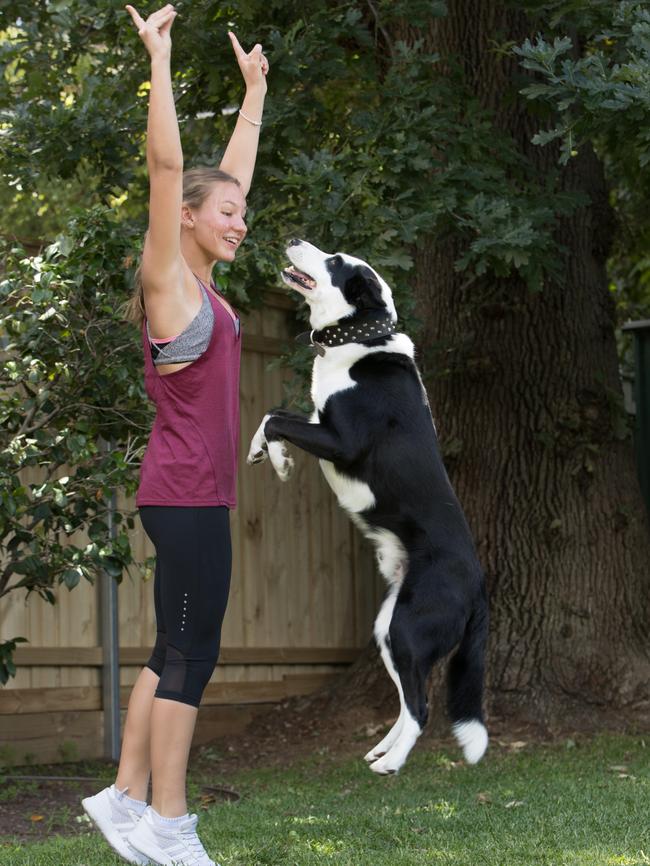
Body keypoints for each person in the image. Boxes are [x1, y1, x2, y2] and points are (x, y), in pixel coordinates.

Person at [82, 5, 268, 865]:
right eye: (225, 214)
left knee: (173, 644)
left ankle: (122, 796)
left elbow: (223, 180)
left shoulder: (203, 284)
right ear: (187, 218)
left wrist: (254, 94)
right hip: (186, 495)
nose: (239, 220)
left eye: (243, 214)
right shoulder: (169, 281)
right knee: (196, 651)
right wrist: (157, 58)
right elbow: (169, 168)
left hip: (187, 493)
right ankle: (168, 820)